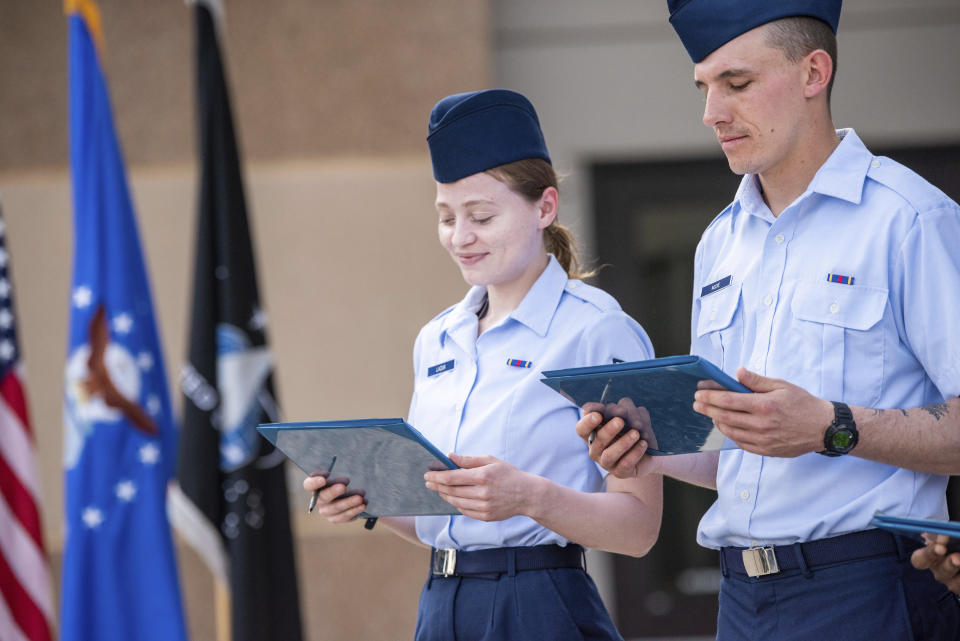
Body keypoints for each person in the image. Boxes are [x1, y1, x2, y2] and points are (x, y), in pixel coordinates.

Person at [577, 1, 960, 639]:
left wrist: (833, 427)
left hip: (868, 590)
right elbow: (731, 449)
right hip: (742, 599)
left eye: (738, 83)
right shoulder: (719, 243)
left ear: (814, 72)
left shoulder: (910, 219)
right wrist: (645, 446)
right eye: (704, 88)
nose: (711, 113)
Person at [304, 88, 662, 641]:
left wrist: (529, 497)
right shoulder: (438, 339)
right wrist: (367, 499)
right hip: (441, 604)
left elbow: (638, 528)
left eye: (481, 216)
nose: (460, 237)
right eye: (446, 217)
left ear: (545, 207)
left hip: (540, 604)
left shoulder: (597, 330)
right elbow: (439, 522)